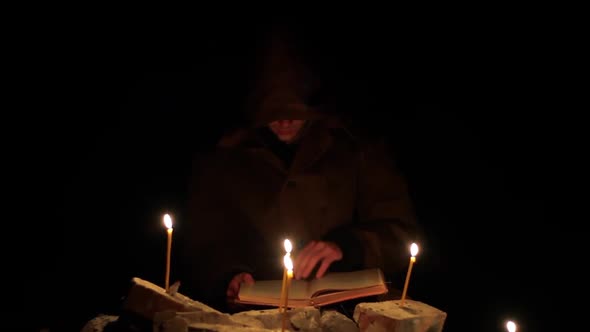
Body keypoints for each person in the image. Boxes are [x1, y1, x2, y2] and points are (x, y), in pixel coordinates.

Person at [177, 27, 422, 314]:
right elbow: (203, 241)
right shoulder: (223, 160)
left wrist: (348, 247)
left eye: (294, 111)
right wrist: (227, 277)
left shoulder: (356, 148)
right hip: (258, 314)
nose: (283, 121)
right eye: (272, 112)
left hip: (350, 311)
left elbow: (400, 233)